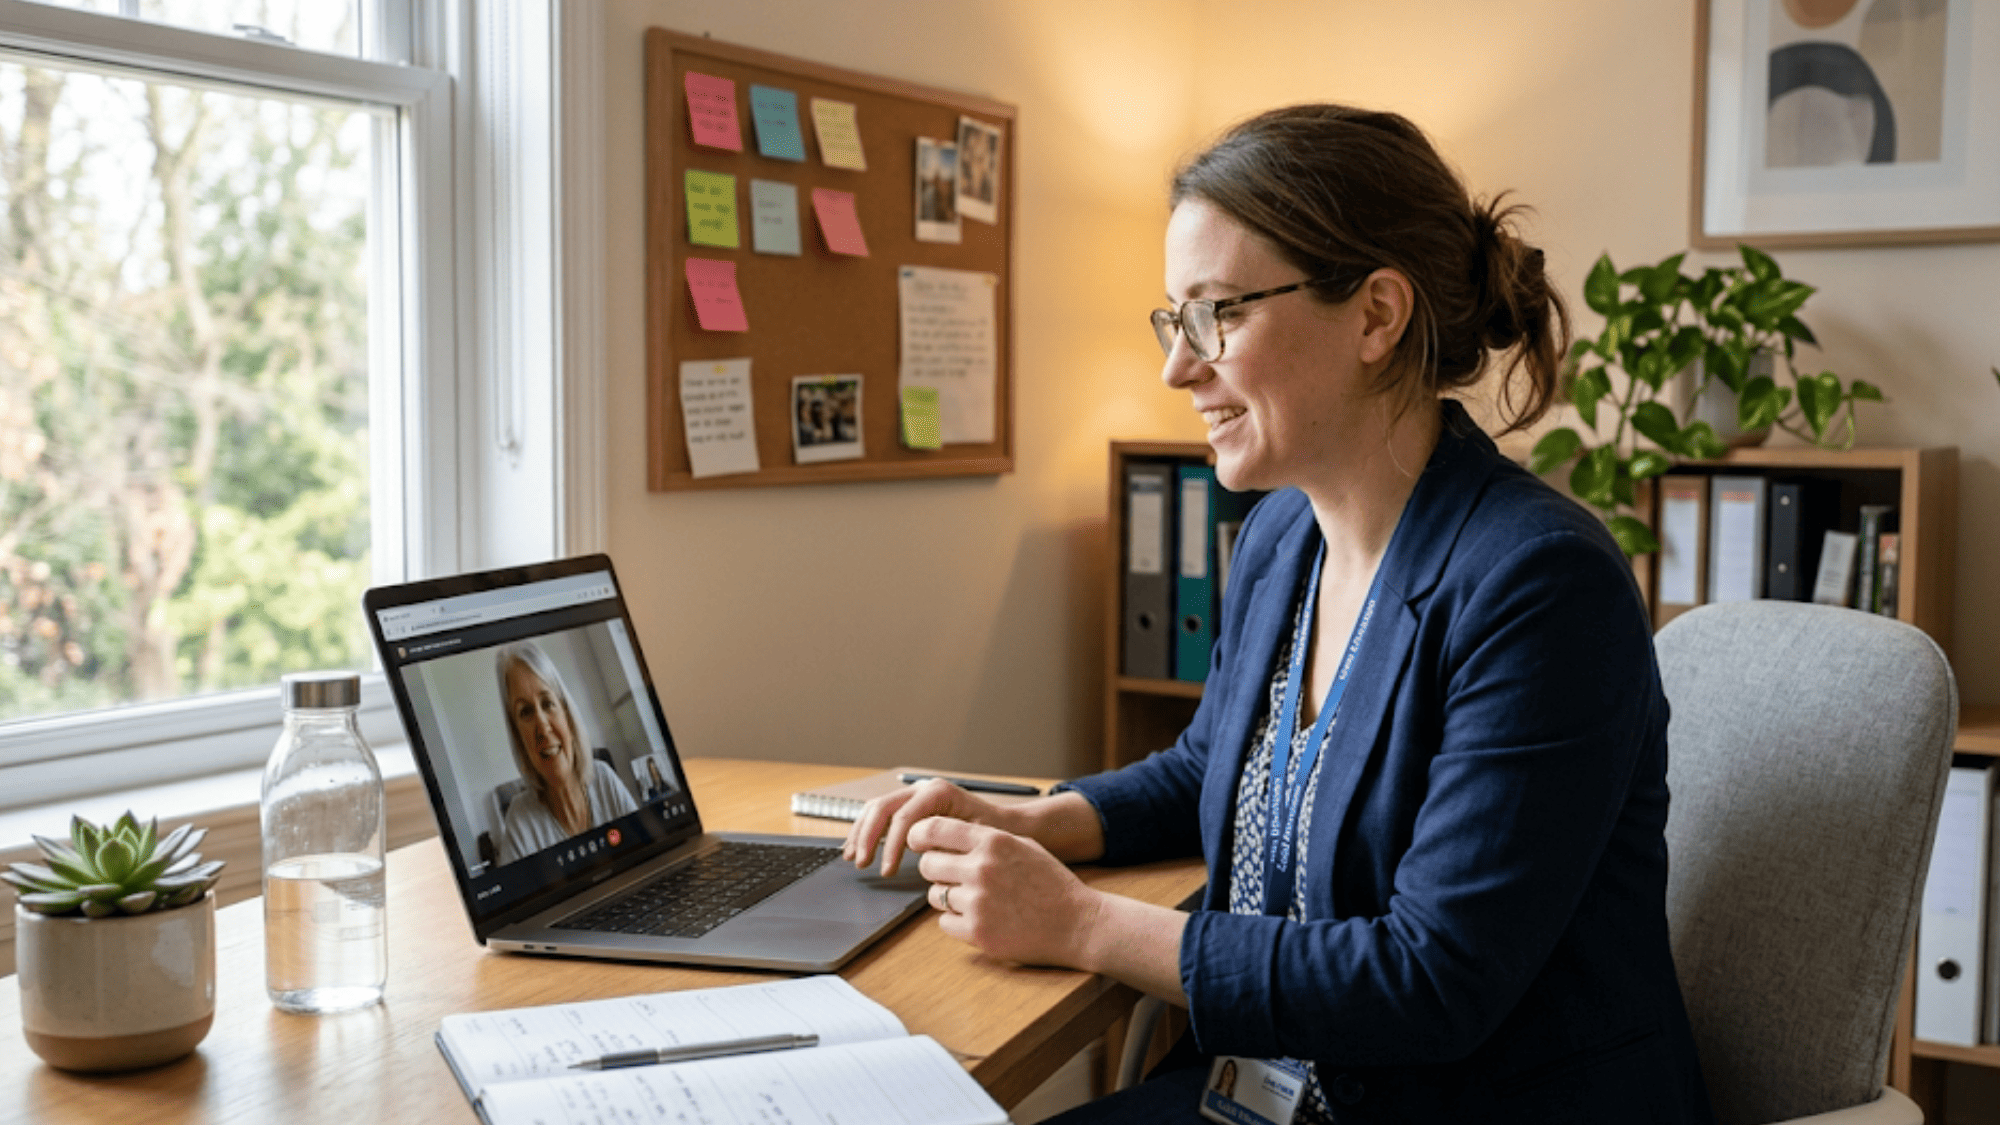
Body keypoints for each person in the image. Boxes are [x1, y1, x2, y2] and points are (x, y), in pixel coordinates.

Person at [845, 104, 1714, 1123]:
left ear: (1374, 316)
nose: (1178, 366)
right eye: (1174, 320)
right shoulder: (1279, 540)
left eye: (1217, 313)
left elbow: (1428, 980)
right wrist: (1028, 822)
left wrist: (1079, 925)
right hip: (1272, 1096)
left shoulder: (1537, 587)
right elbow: (1211, 767)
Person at [493, 641, 637, 864]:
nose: (542, 726)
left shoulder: (604, 778)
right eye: (526, 712)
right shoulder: (519, 821)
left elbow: (649, 851)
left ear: (567, 716)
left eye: (548, 703)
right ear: (519, 738)